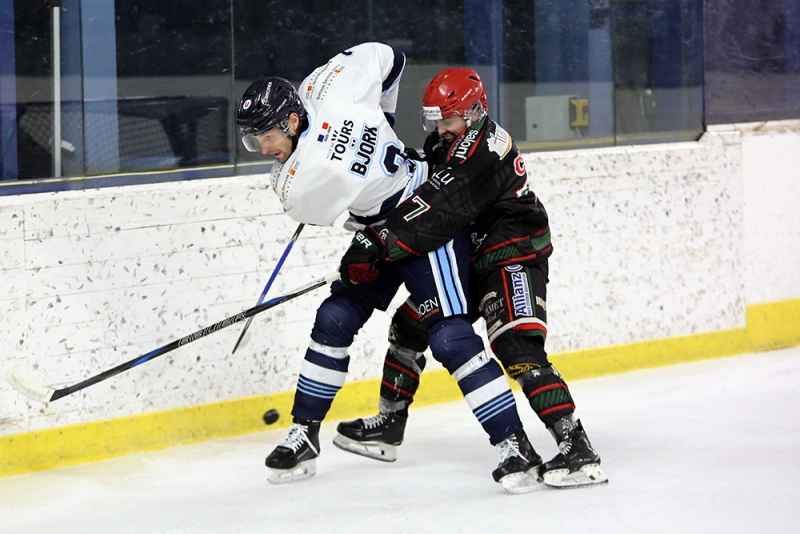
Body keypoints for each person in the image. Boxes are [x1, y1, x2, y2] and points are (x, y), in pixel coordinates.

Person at [236, 43, 538, 492]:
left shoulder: (297, 181)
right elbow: (388, 57)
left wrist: (371, 136)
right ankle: (305, 435)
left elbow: (316, 207)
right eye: (253, 138)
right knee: (333, 318)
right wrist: (383, 119)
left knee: (451, 338)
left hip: (424, 216)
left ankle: (515, 446)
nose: (262, 149)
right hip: (381, 222)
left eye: (265, 137)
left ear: (292, 121)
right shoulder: (325, 88)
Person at [331, 68, 608, 489]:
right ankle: (389, 424)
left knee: (516, 345)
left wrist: (382, 238)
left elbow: (440, 205)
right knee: (408, 326)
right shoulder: (448, 140)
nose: (440, 129)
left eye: (448, 119)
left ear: (476, 111)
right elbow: (423, 184)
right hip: (473, 257)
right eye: (435, 120)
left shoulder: (484, 150)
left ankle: (577, 448)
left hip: (510, 254)